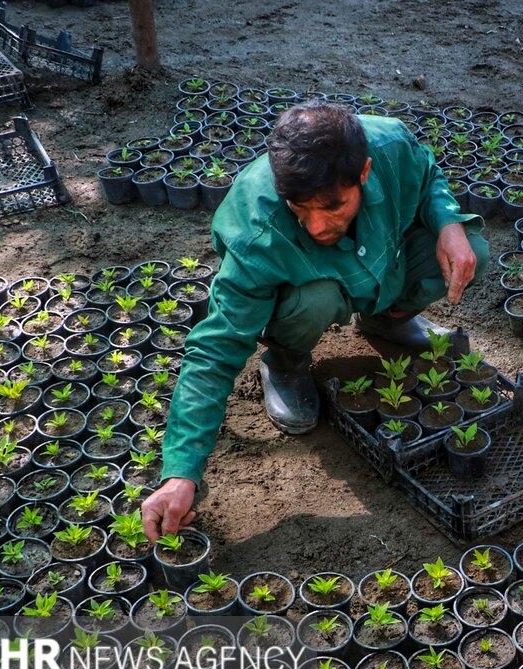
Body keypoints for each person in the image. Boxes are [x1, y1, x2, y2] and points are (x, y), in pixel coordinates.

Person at [140, 101, 489, 542]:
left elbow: (427, 177)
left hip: (380, 266)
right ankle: (285, 362)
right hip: (304, 296)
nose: (317, 226)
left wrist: (447, 222)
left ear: (362, 173)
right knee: (316, 299)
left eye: (332, 207)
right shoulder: (256, 231)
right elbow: (214, 348)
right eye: (300, 210)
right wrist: (181, 473)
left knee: (473, 247)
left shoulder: (390, 144)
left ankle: (386, 321)